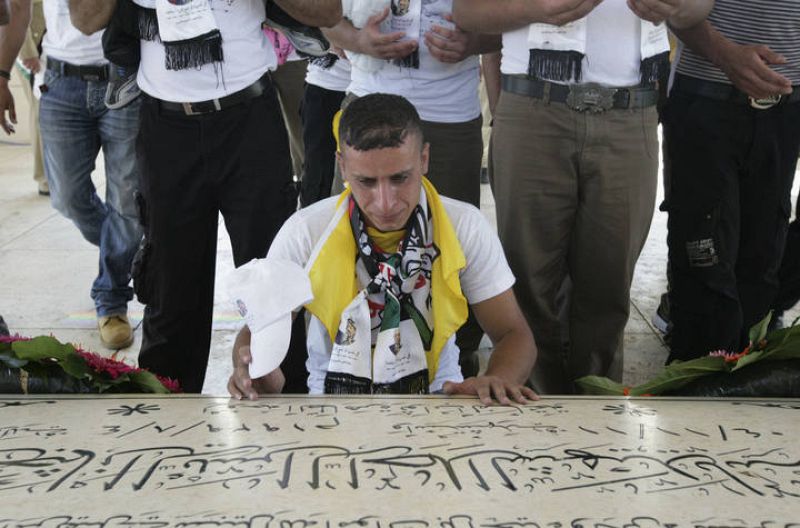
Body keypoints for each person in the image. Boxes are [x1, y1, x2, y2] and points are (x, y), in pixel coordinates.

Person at [68, 0, 342, 393]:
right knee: (170, 288)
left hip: (249, 121)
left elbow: (328, 12)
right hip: (166, 129)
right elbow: (84, 19)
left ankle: (289, 407)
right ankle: (168, 425)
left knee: (273, 278)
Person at [452, 0, 714, 394]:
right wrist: (537, 8)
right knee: (528, 282)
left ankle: (598, 414)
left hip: (631, 112)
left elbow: (697, 8)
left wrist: (676, 5)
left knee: (608, 289)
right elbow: (467, 12)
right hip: (534, 107)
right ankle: (532, 419)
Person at [228, 93, 537, 405]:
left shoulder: (464, 226)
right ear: (343, 168)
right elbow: (255, 332)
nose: (385, 202)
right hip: (333, 406)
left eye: (400, 178)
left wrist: (497, 379)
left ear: (425, 160)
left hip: (440, 401)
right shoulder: (305, 233)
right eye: (366, 182)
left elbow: (514, 334)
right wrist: (252, 370)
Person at [0, 0, 144, 350]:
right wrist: (2, 75)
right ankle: (128, 250)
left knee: (126, 201)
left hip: (125, 77)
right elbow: (18, 8)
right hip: (62, 82)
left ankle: (111, 300)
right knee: (66, 197)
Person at [664, 0, 800, 361]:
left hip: (787, 108)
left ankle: (746, 367)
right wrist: (727, 56)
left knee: (762, 259)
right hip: (706, 99)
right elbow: (671, 8)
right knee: (703, 260)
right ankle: (695, 387)